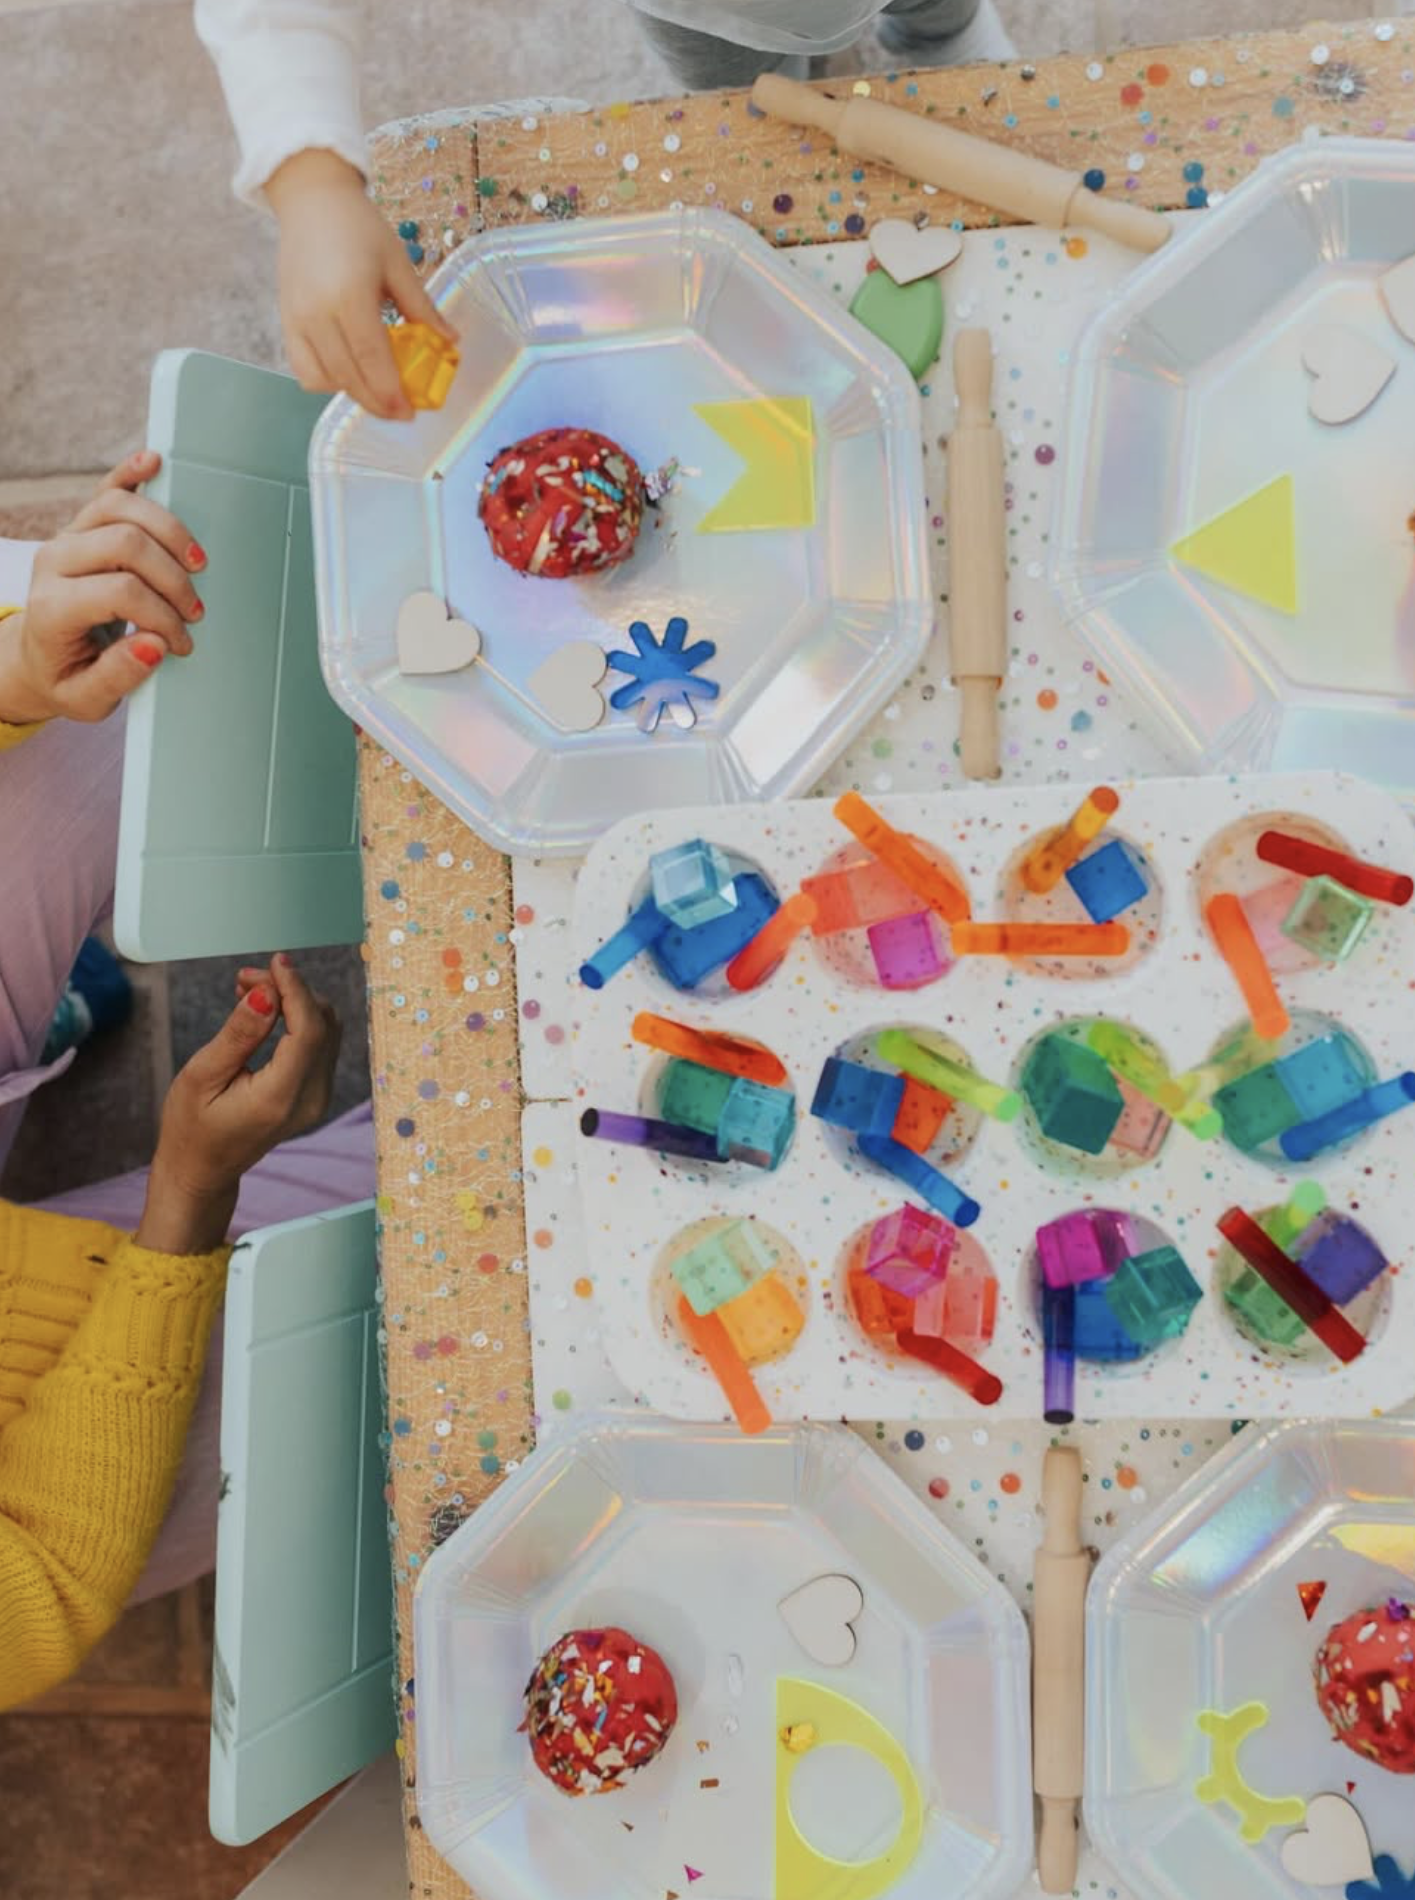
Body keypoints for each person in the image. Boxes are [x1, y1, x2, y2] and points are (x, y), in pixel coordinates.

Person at [0, 460, 375, 1708]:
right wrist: (187, 1196)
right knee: (423, 1256)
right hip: (39, 1420)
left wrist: (13, 682)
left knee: (93, 650)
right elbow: (40, 1579)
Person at [193, 0, 1012, 421]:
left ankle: (940, 38)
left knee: (939, 11)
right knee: (744, 94)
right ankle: (767, 92)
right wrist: (310, 181)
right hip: (711, 11)